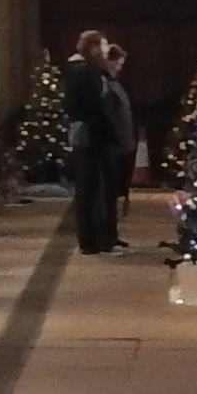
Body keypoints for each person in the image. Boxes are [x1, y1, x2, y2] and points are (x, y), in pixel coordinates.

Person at [60, 30, 140, 254]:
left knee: (94, 190)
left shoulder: (85, 70)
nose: (106, 50)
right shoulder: (84, 71)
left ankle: (98, 239)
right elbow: (94, 105)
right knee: (93, 192)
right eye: (103, 45)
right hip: (94, 139)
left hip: (96, 138)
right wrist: (110, 131)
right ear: (93, 47)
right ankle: (94, 240)